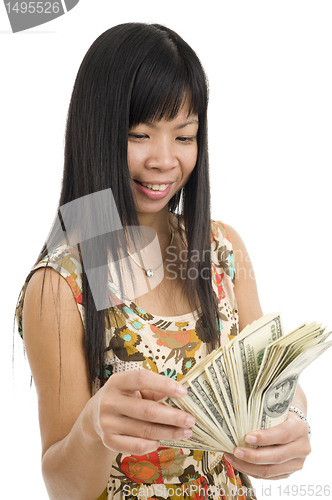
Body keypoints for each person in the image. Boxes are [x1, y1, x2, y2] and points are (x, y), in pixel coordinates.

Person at [16, 23, 311, 500]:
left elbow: (271, 381)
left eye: (184, 136)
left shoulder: (221, 248)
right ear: (98, 132)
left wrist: (293, 421)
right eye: (140, 134)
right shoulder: (60, 284)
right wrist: (92, 428)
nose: (164, 160)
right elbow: (65, 488)